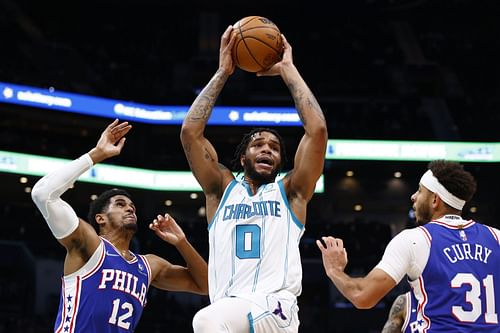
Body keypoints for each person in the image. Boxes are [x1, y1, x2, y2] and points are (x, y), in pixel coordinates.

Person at [180, 25, 327, 333]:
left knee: (206, 319)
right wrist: (223, 73)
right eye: (258, 144)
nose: (267, 149)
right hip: (232, 308)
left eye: (274, 147)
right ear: (243, 157)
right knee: (213, 317)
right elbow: (190, 133)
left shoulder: (291, 191)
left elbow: (317, 131)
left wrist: (289, 71)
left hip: (275, 306)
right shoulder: (221, 189)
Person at [31, 119, 208, 332]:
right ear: (100, 218)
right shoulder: (89, 244)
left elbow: (204, 285)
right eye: (120, 204)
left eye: (132, 206)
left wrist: (182, 243)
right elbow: (42, 194)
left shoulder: (149, 266)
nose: (130, 208)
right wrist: (96, 154)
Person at [317, 160, 500, 332]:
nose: (413, 197)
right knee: (405, 303)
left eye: (420, 191)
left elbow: (362, 296)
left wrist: (335, 270)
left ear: (435, 200)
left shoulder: (416, 239)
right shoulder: (496, 237)